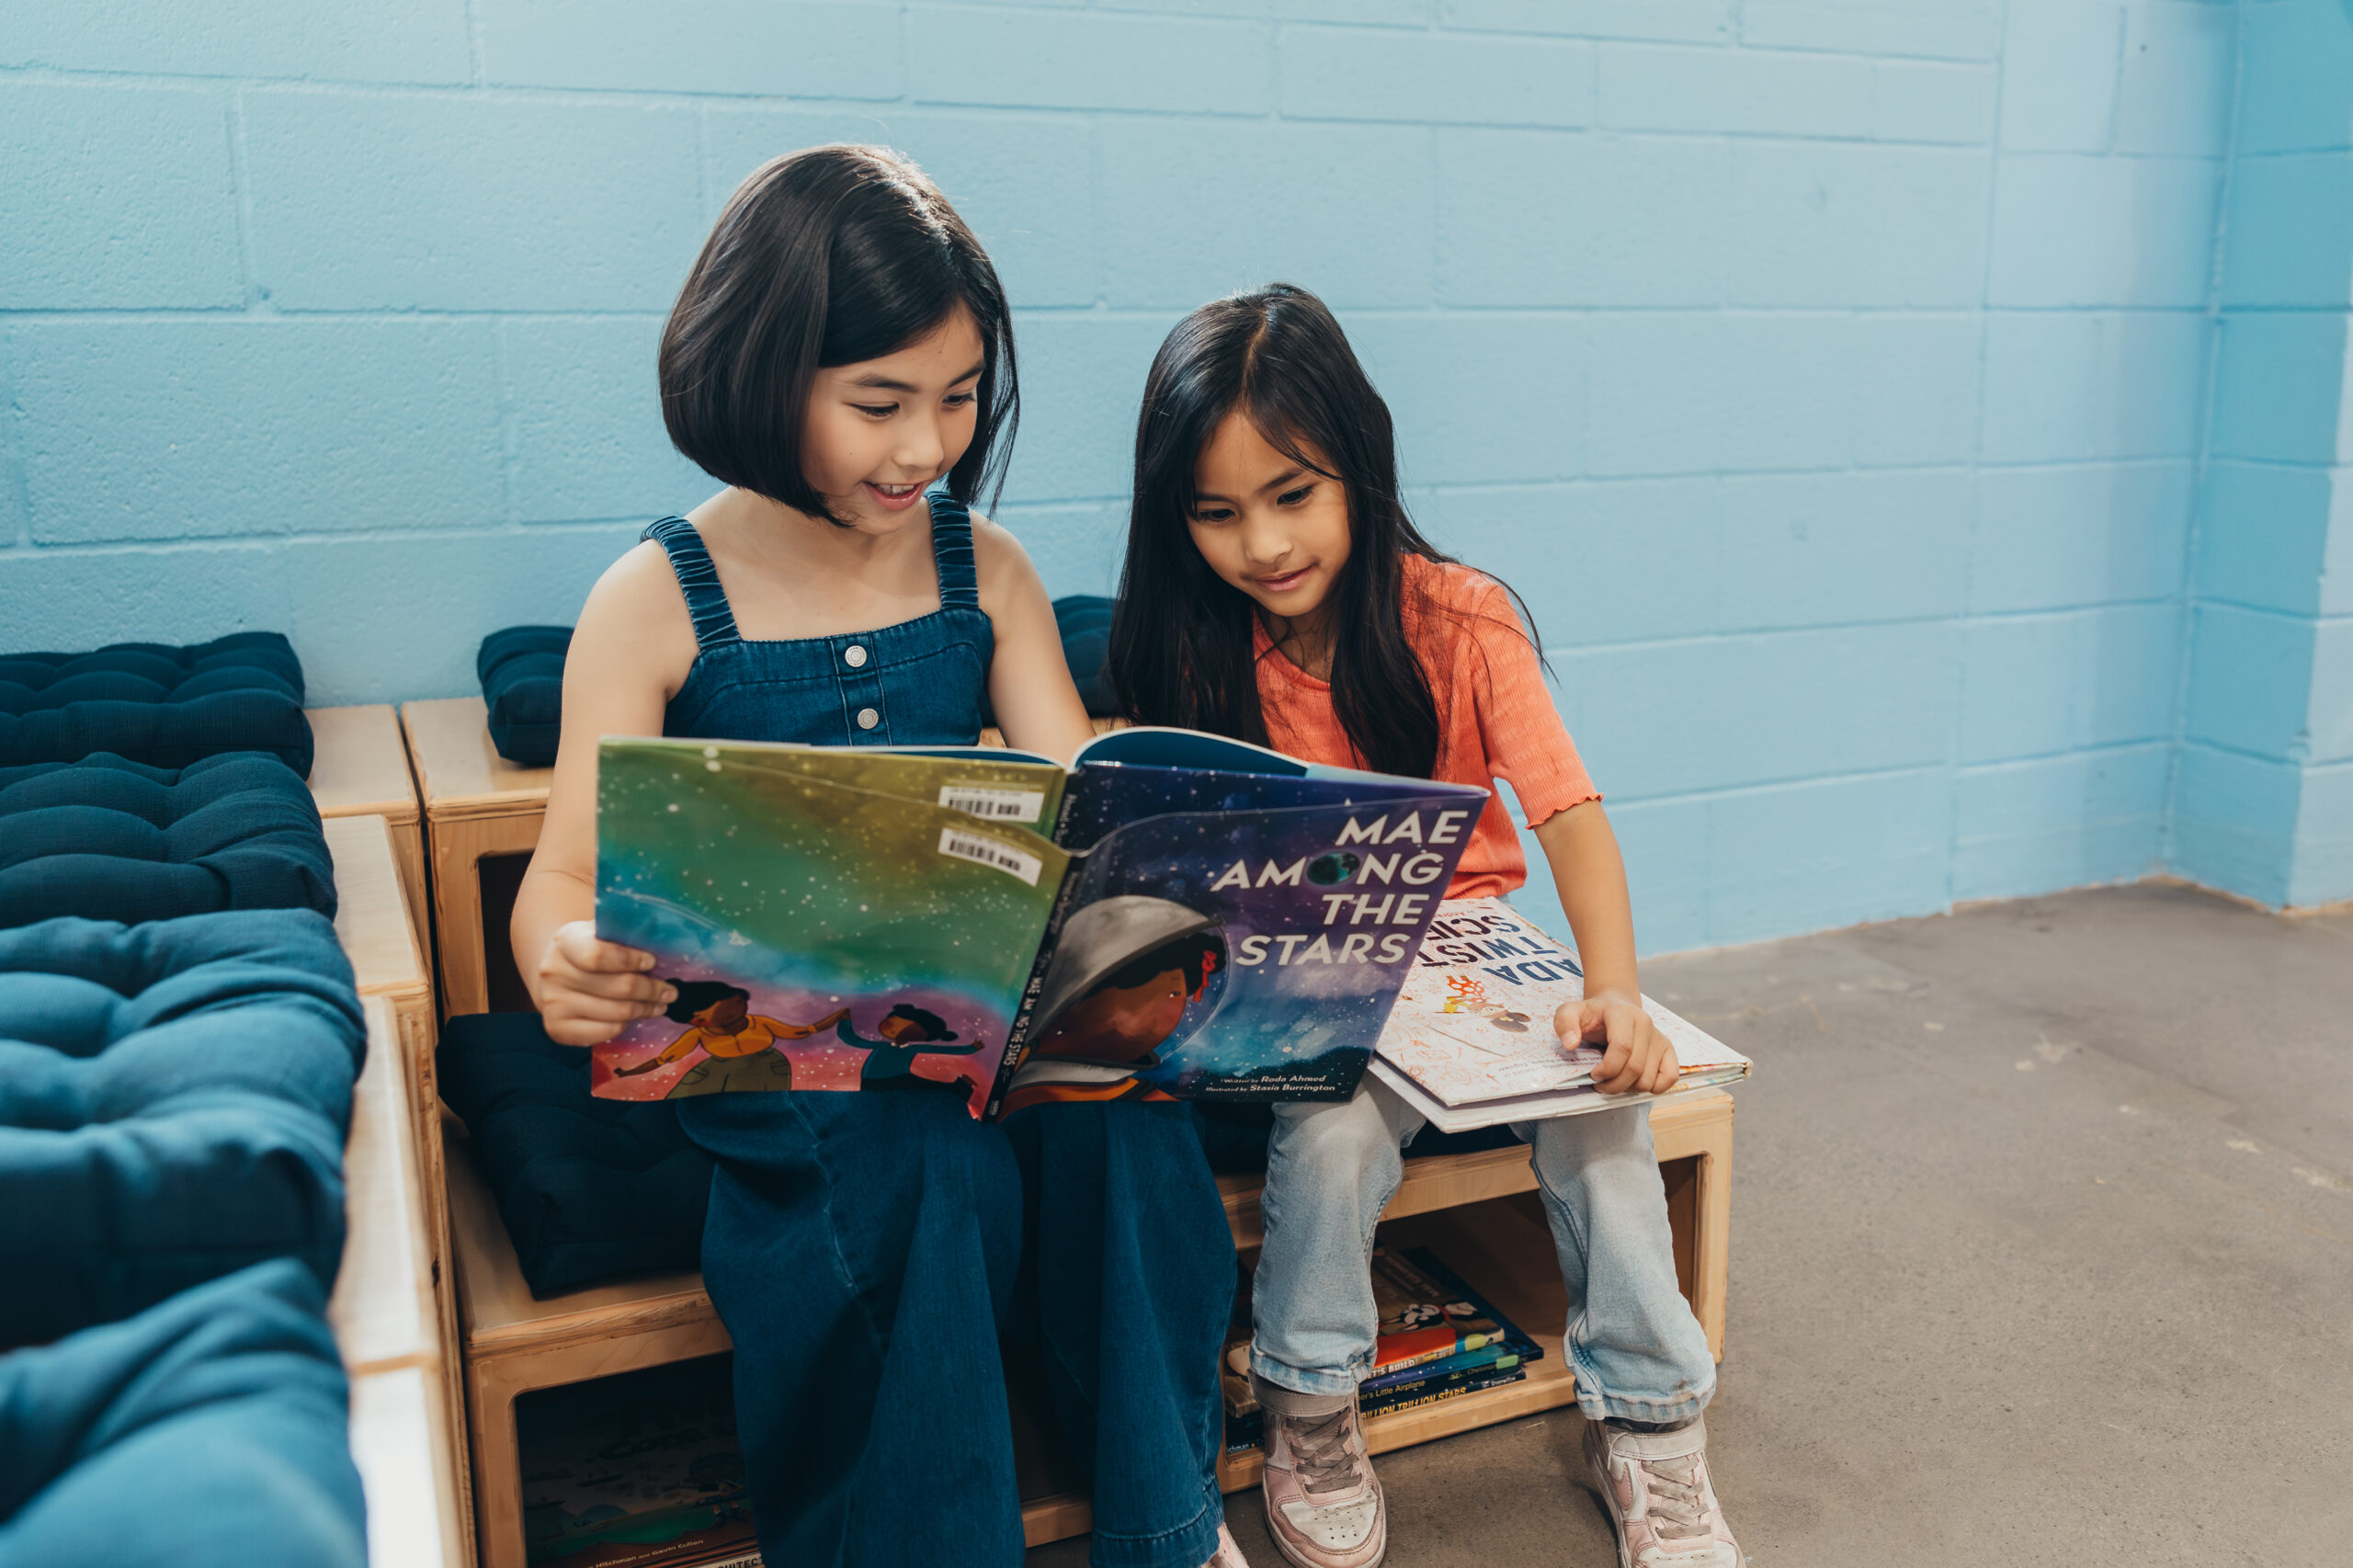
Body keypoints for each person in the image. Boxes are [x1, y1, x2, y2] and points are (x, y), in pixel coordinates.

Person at [510, 145, 1246, 1568]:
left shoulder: (993, 574)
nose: (926, 446)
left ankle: (1164, 1521)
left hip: (980, 1033)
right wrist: (562, 959)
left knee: (1129, 1116)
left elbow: (1086, 822)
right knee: (918, 1164)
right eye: (879, 403)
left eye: (961, 398)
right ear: (762, 370)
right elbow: (560, 878)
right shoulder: (655, 598)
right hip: (780, 1069)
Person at [1108, 284, 1742, 1568]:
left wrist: (1613, 989)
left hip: (1476, 956)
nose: (1263, 542)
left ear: (1361, 465)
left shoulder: (1460, 616)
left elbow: (1568, 819)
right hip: (1305, 970)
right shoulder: (1193, 642)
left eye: (1294, 494)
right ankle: (1312, 1396)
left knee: (1603, 1108)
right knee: (1332, 1127)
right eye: (1217, 512)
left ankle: (1653, 1420)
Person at [609, 981, 848, 1096]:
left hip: (768, 1066)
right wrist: (628, 1073)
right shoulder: (697, 1035)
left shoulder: (761, 1023)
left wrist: (839, 1015)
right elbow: (663, 1059)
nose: (730, 1015)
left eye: (735, 1006)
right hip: (719, 1070)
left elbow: (806, 1031)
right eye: (700, 1019)